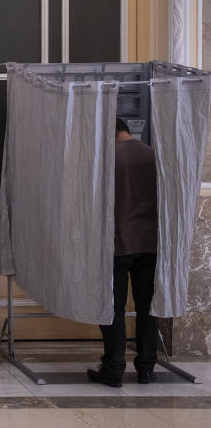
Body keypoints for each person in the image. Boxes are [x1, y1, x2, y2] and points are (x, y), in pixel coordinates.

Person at [87, 118, 159, 387]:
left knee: (113, 308)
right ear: (128, 130)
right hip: (150, 243)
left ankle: (114, 369)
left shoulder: (107, 159)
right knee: (147, 308)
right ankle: (147, 369)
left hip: (116, 243)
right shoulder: (153, 155)